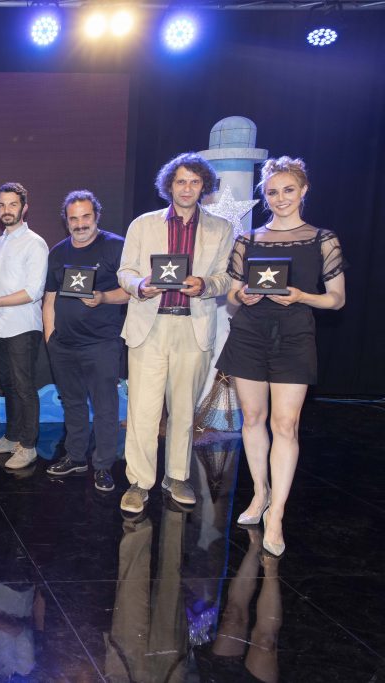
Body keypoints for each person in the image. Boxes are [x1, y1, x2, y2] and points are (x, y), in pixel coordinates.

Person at [216, 157, 345, 556]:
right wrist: (242, 295)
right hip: (249, 334)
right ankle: (260, 494)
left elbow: (337, 299)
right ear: (265, 195)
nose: (280, 198)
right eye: (272, 192)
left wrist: (303, 296)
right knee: (253, 419)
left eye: (288, 190)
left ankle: (277, 515)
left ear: (303, 190)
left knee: (285, 425)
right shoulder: (247, 239)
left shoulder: (323, 239)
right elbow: (232, 295)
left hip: (294, 336)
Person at [117, 153, 234, 514]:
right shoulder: (143, 225)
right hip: (149, 327)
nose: (187, 188)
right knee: (143, 410)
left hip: (193, 327)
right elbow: (125, 271)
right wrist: (141, 285)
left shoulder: (221, 228)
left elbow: (227, 278)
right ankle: (139, 483)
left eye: (195, 182)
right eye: (181, 181)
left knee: (184, 410)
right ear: (169, 185)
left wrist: (206, 284)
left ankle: (178, 477)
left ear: (204, 186)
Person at [43, 191, 128, 492]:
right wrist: (50, 338)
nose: (80, 224)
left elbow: (131, 292)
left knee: (105, 407)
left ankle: (103, 466)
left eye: (86, 216)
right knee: (73, 403)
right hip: (63, 345)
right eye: (73, 218)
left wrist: (103, 297)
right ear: (66, 221)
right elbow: (49, 298)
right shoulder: (58, 252)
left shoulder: (116, 246)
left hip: (101, 344)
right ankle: (76, 457)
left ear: (97, 216)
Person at [0, 182, 49, 470]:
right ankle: (11, 437)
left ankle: (28, 446)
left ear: (24, 208)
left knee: (24, 387)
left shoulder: (35, 243)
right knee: (8, 385)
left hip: (23, 326)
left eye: (12, 204)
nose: (6, 210)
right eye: (2, 205)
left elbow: (33, 291)